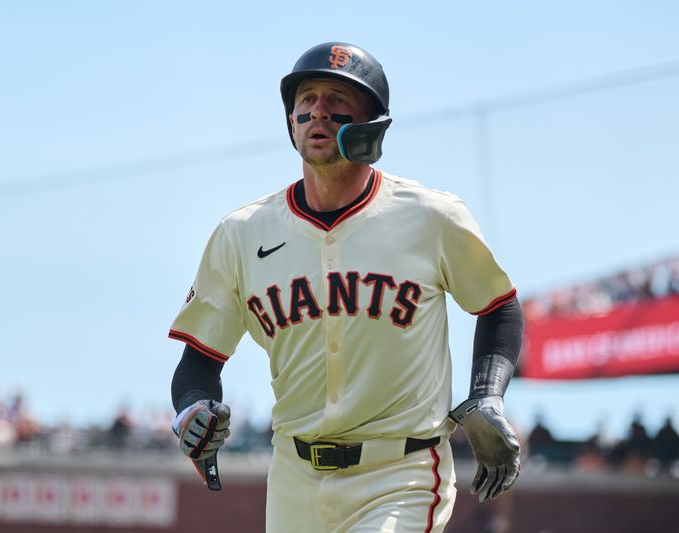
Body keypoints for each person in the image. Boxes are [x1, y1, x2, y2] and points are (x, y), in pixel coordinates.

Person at [168, 42, 523, 532]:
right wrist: (190, 409)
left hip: (401, 472)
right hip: (293, 478)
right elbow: (199, 360)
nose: (317, 112)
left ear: (371, 126)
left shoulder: (431, 216)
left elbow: (498, 306)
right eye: (306, 100)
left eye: (337, 102)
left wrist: (487, 397)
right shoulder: (242, 233)